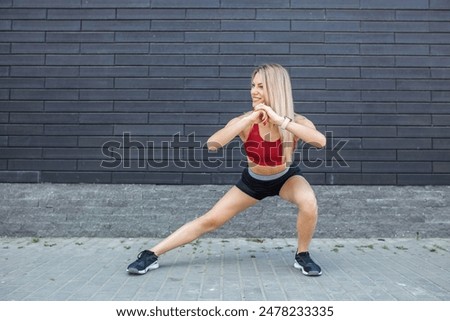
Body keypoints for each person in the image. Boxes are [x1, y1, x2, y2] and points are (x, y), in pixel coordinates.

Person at [127, 64, 327, 276]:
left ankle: (302, 255)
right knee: (210, 220)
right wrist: (248, 119)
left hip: (286, 178)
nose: (254, 91)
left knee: (309, 202)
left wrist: (280, 121)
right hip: (253, 181)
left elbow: (320, 142)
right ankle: (150, 254)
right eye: (252, 85)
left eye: (261, 86)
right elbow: (213, 144)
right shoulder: (245, 122)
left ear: (276, 88)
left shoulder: (296, 122)